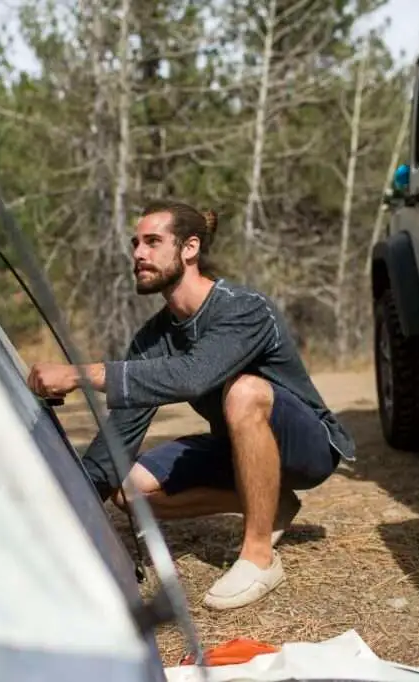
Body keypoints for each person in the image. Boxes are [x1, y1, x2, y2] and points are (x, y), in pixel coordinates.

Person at [26, 200, 355, 610]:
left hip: (307, 449)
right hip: (236, 450)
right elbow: (120, 436)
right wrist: (63, 513)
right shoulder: (153, 337)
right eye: (135, 244)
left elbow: (194, 374)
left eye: (152, 242)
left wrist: (81, 375)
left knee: (245, 391)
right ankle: (272, 505)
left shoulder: (243, 307)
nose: (138, 254)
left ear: (190, 248)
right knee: (129, 490)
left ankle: (259, 557)